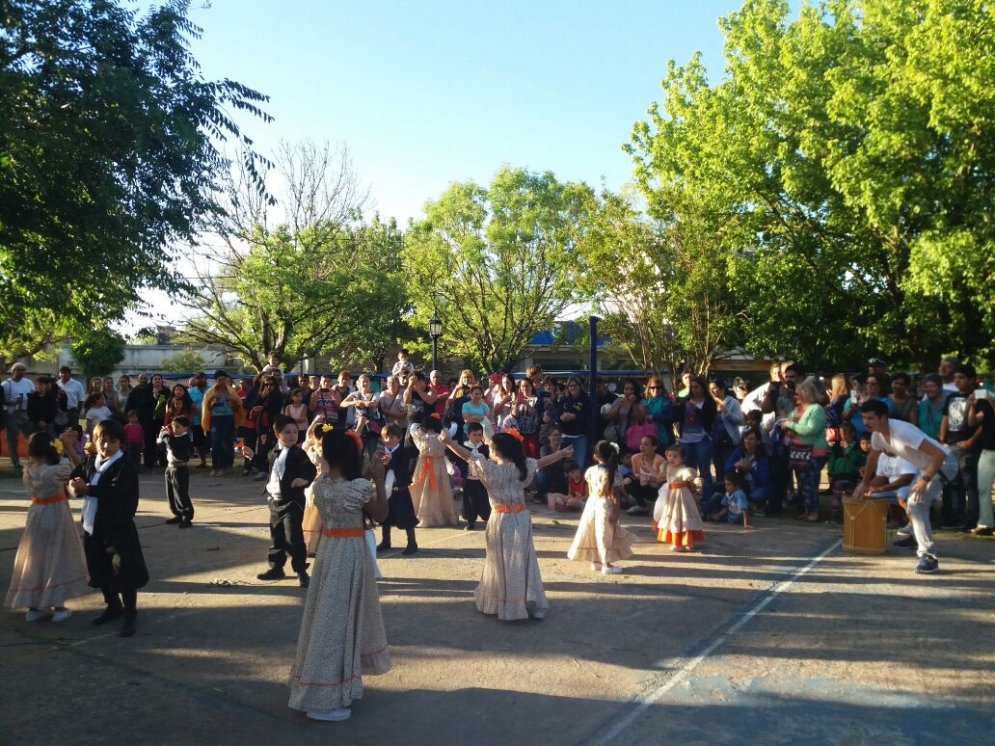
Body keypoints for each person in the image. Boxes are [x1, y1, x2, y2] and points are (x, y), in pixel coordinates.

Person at [286, 427, 391, 723]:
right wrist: (379, 480)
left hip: (330, 550)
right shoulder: (356, 487)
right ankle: (322, 697)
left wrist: (367, 478)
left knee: (326, 616)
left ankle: (319, 684)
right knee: (337, 621)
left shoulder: (320, 485)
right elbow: (381, 514)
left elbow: (346, 491)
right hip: (349, 553)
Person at [439, 429, 572, 621]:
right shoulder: (523, 465)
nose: (488, 451)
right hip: (521, 518)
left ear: (497, 451)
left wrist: (450, 442)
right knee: (524, 560)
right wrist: (561, 453)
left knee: (500, 561)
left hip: (500, 519)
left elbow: (468, 455)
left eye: (491, 448)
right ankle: (531, 601)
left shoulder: (490, 469)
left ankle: (507, 602)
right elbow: (542, 462)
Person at [853, 399, 959, 573]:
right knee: (913, 504)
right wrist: (865, 482)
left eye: (870, 418)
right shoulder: (877, 435)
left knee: (916, 504)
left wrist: (923, 480)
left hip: (945, 465)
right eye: (864, 417)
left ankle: (929, 557)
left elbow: (939, 454)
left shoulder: (903, 431)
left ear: (883, 418)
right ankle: (913, 533)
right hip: (927, 466)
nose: (866, 422)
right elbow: (872, 457)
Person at [68, 418, 150, 637]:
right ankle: (113, 606)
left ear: (121, 443)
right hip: (94, 526)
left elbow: (120, 492)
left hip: (118, 527)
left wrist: (89, 489)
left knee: (124, 571)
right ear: (95, 441)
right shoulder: (91, 461)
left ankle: (130, 613)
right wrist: (75, 487)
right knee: (100, 569)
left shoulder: (125, 465)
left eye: (112, 442)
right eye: (102, 441)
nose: (106, 446)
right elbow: (74, 478)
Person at [5, 430, 87, 623]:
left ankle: (34, 606)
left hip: (36, 514)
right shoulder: (59, 468)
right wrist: (68, 448)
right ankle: (58, 605)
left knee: (35, 556)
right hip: (56, 512)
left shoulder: (30, 470)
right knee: (57, 555)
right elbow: (81, 470)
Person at [244, 415, 317, 586]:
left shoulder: (298, 453)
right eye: (287, 432)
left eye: (294, 432)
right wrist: (253, 457)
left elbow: (311, 469)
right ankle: (276, 567)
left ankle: (301, 571)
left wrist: (304, 479)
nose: (292, 436)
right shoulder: (273, 451)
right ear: (277, 434)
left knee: (294, 538)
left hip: (292, 502)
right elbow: (266, 467)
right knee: (276, 536)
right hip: (275, 502)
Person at [567, 440, 636, 574]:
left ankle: (597, 561)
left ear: (595, 456)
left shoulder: (590, 471)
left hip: (592, 503)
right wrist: (617, 512)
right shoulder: (613, 473)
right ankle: (607, 564)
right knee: (605, 533)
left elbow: (591, 488)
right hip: (605, 504)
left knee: (593, 531)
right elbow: (615, 495)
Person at [939, 364, 982, 530]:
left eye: (961, 378)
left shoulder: (978, 397)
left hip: (968, 445)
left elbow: (982, 423)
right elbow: (945, 416)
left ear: (971, 379)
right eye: (955, 378)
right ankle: (954, 516)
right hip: (950, 443)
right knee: (953, 481)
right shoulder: (952, 396)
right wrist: (942, 438)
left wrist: (972, 440)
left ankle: (971, 518)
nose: (957, 381)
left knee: (969, 482)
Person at [783, 378, 828, 522]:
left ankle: (813, 511)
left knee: (810, 482)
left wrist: (790, 425)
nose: (795, 396)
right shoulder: (799, 410)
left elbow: (811, 430)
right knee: (802, 484)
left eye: (797, 394)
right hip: (800, 451)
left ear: (805, 394)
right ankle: (808, 510)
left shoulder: (817, 409)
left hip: (813, 451)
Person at [408, 413, 458, 527]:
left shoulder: (419, 436)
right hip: (438, 466)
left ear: (424, 426)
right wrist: (449, 424)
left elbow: (412, 427)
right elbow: (454, 428)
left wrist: (418, 422)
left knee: (421, 488)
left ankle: (422, 514)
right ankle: (441, 515)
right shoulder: (443, 436)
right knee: (439, 490)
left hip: (422, 466)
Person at [652, 444, 705, 552]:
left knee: (682, 516)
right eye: (670, 455)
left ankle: (683, 542)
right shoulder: (667, 466)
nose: (672, 458)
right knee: (674, 516)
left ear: (682, 458)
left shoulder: (683, 469)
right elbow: (658, 476)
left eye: (675, 456)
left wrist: (695, 480)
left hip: (681, 495)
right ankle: (683, 542)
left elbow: (689, 476)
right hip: (671, 494)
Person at [376, 424, 419, 555]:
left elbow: (404, 470)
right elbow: (377, 470)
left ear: (399, 438)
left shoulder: (403, 452)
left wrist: (390, 462)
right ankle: (386, 540)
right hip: (386, 489)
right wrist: (380, 464)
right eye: (385, 437)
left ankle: (412, 543)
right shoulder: (382, 451)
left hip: (400, 488)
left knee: (406, 516)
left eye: (391, 437)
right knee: (385, 515)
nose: (387, 440)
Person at [675, 376, 717, 498]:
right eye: (692, 387)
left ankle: (707, 500)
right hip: (686, 439)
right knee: (688, 470)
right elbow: (677, 418)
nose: (694, 390)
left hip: (702, 438)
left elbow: (709, 420)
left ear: (703, 388)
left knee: (704, 470)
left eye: (696, 387)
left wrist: (697, 409)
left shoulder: (709, 402)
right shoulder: (686, 401)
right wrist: (676, 407)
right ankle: (689, 499)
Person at [202, 370, 244, 477]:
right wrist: (210, 399)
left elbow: (237, 407)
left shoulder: (231, 392)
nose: (221, 382)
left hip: (228, 418)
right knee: (215, 444)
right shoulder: (210, 392)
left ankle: (224, 467)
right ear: (216, 381)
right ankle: (215, 467)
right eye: (219, 380)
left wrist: (234, 400)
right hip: (215, 419)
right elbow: (206, 409)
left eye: (223, 379)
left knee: (225, 442)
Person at [158, 415, 194, 528]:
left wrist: (165, 435)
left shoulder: (184, 438)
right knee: (171, 493)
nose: (174, 429)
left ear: (185, 428)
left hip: (180, 468)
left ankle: (186, 516)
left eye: (177, 427)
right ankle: (178, 513)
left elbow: (172, 442)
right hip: (170, 467)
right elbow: (163, 446)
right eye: (173, 427)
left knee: (180, 493)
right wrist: (161, 437)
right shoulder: (172, 439)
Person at [724, 427, 772, 514]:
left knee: (757, 495)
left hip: (757, 487)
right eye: (746, 438)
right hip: (743, 486)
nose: (747, 441)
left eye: (751, 439)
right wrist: (736, 465)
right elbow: (726, 468)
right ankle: (747, 505)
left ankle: (759, 505)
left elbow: (763, 480)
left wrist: (750, 469)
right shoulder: (739, 451)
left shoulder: (763, 457)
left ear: (758, 442)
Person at [967, 390, 995, 536]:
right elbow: (972, 422)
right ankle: (985, 523)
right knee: (983, 488)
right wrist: (972, 406)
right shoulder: (986, 406)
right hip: (987, 451)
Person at [457, 422, 491, 530]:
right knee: (469, 500)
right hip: (469, 479)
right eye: (474, 435)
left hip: (482, 480)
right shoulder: (464, 447)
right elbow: (460, 461)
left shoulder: (485, 448)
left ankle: (487, 518)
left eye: (479, 435)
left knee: (483, 499)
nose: (477, 437)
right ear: (468, 435)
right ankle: (470, 521)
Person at [3, 362, 36, 468]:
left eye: (23, 370)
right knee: (12, 438)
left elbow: (33, 394)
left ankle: (32, 460)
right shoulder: (6, 384)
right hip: (12, 413)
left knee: (31, 437)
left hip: (26, 412)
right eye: (19, 370)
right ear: (13, 371)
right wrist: (13, 402)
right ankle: (15, 461)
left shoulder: (28, 382)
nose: (21, 372)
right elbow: (2, 400)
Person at [626, 435, 665, 514]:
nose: (642, 447)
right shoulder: (635, 458)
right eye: (641, 444)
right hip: (643, 485)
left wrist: (650, 480)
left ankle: (657, 504)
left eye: (646, 444)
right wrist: (641, 477)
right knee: (628, 479)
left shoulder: (660, 460)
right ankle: (642, 505)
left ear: (654, 447)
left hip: (656, 489)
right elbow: (636, 473)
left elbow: (664, 478)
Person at [558, 376, 591, 466]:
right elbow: (557, 416)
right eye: (570, 386)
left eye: (575, 385)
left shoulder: (586, 400)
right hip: (564, 437)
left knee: (578, 465)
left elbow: (588, 417)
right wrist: (562, 417)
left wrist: (574, 416)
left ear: (580, 386)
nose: (573, 388)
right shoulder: (564, 400)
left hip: (580, 437)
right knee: (563, 466)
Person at [532, 427, 568, 506]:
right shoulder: (544, 448)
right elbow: (545, 463)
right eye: (554, 435)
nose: (556, 437)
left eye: (558, 435)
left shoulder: (565, 448)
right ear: (549, 437)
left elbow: (567, 464)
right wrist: (558, 455)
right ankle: (540, 495)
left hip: (560, 474)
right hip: (547, 473)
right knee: (540, 475)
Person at [644, 376, 675, 448]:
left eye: (658, 387)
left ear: (662, 389)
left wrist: (654, 417)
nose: (655, 390)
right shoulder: (644, 401)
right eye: (652, 387)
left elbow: (670, 419)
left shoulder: (667, 401)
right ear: (649, 389)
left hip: (663, 439)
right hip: (647, 439)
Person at [187, 372, 210, 468]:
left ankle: (217, 462)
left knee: (212, 441)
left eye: (202, 378)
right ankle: (203, 461)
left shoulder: (211, 389)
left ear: (206, 379)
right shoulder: (190, 392)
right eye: (198, 378)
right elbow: (188, 406)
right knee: (199, 442)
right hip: (197, 420)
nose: (200, 380)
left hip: (211, 420)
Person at [55, 365, 84, 431]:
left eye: (65, 373)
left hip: (72, 412)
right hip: (60, 412)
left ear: (69, 374)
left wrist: (78, 412)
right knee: (61, 431)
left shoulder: (77, 384)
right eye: (61, 373)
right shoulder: (56, 384)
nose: (63, 375)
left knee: (73, 431)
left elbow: (81, 399)